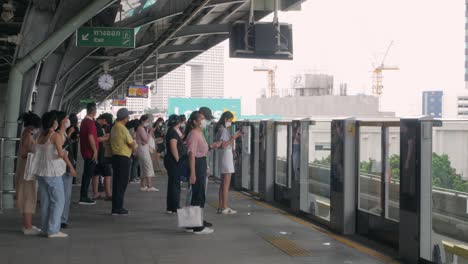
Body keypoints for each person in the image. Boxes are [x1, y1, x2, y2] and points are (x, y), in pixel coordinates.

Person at [33, 111, 73, 238]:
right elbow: (60, 154)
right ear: (52, 122)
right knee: (58, 201)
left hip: (41, 172)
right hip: (53, 171)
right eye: (56, 120)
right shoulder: (55, 135)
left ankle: (45, 228)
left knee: (46, 201)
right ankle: (53, 230)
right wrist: (68, 160)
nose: (57, 122)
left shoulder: (40, 136)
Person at [184, 111, 221, 234]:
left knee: (199, 194)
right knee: (197, 195)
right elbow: (191, 154)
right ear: (195, 121)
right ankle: (197, 227)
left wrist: (211, 146)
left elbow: (200, 150)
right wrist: (193, 173)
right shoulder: (194, 134)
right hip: (197, 164)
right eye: (202, 118)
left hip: (201, 163)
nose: (204, 121)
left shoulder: (198, 133)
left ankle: (192, 223)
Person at [15, 112, 42, 235]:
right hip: (27, 171)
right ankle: (27, 227)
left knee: (29, 196)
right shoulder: (28, 136)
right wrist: (36, 152)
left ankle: (28, 224)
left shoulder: (26, 134)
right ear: (32, 126)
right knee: (28, 197)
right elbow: (25, 154)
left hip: (25, 170)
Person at [54, 111, 78, 229]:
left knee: (63, 196)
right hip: (64, 169)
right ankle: (61, 219)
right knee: (64, 196)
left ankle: (61, 218)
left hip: (64, 168)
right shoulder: (59, 135)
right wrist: (71, 167)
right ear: (62, 120)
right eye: (66, 118)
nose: (68, 120)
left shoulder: (62, 134)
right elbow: (63, 154)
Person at [110, 108, 136, 215]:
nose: (128, 118)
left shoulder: (114, 127)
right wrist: (134, 145)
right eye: (128, 116)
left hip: (116, 157)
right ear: (125, 118)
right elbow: (131, 144)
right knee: (122, 184)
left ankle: (115, 207)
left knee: (117, 183)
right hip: (123, 158)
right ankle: (118, 208)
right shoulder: (122, 129)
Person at [214, 111, 241, 214]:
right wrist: (234, 137)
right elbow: (224, 145)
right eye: (230, 120)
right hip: (226, 156)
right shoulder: (224, 130)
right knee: (226, 183)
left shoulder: (219, 129)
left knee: (222, 183)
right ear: (226, 119)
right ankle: (225, 206)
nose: (230, 122)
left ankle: (221, 206)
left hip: (222, 156)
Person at [164, 115, 187, 214]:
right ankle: (174, 207)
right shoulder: (173, 132)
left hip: (171, 160)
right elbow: (173, 147)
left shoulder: (171, 131)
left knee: (173, 184)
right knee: (175, 185)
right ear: (177, 122)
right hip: (174, 161)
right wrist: (178, 159)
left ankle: (170, 207)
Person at [79, 103, 99, 205]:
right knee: (87, 175)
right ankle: (83, 197)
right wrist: (95, 150)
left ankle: (83, 195)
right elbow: (91, 136)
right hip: (90, 153)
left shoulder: (83, 122)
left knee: (86, 175)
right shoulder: (90, 123)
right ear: (94, 111)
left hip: (85, 152)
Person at [92, 113, 112, 200]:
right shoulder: (96, 126)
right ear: (104, 120)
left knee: (95, 173)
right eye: (106, 123)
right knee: (108, 173)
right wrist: (105, 138)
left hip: (97, 153)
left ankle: (96, 193)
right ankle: (108, 194)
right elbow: (94, 139)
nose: (106, 125)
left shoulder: (96, 125)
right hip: (100, 154)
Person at [136, 114, 158, 192]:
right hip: (143, 149)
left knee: (143, 167)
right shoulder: (141, 129)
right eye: (147, 121)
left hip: (141, 148)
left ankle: (142, 185)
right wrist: (150, 132)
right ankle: (149, 186)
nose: (148, 123)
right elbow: (146, 140)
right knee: (148, 166)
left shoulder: (140, 128)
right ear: (142, 121)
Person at [67, 113, 79, 185]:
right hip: (74, 146)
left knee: (69, 160)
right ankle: (73, 180)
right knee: (74, 160)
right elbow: (77, 137)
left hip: (67, 146)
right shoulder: (75, 128)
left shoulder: (67, 127)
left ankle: (68, 175)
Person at [127, 119, 140, 183]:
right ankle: (132, 178)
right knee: (134, 164)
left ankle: (131, 178)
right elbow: (133, 139)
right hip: (134, 147)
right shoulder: (133, 130)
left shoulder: (130, 129)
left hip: (131, 148)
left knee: (132, 164)